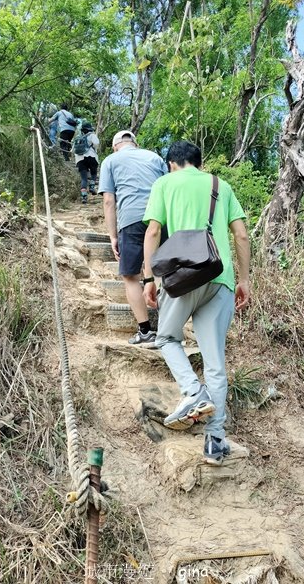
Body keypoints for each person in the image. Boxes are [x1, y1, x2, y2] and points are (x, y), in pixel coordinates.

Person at [142, 140, 250, 465]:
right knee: (215, 361)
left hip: (183, 276)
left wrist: (149, 278)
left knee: (166, 337)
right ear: (198, 162)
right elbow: (241, 235)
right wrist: (243, 279)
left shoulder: (164, 183)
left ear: (172, 163)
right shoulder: (221, 185)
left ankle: (193, 391)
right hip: (220, 277)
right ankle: (215, 442)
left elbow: (152, 232)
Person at [99, 130, 168, 346]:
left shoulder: (110, 161)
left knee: (130, 277)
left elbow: (109, 201)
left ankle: (145, 331)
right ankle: (168, 329)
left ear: (115, 146)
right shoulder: (155, 158)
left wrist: (112, 236)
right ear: (135, 144)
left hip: (130, 220)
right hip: (160, 218)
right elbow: (169, 189)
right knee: (162, 272)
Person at [73, 121, 100, 204]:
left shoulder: (78, 137)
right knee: (94, 173)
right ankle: (92, 186)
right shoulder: (92, 135)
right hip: (91, 156)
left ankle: (84, 196)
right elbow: (96, 143)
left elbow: (73, 149)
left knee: (84, 178)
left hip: (80, 159)